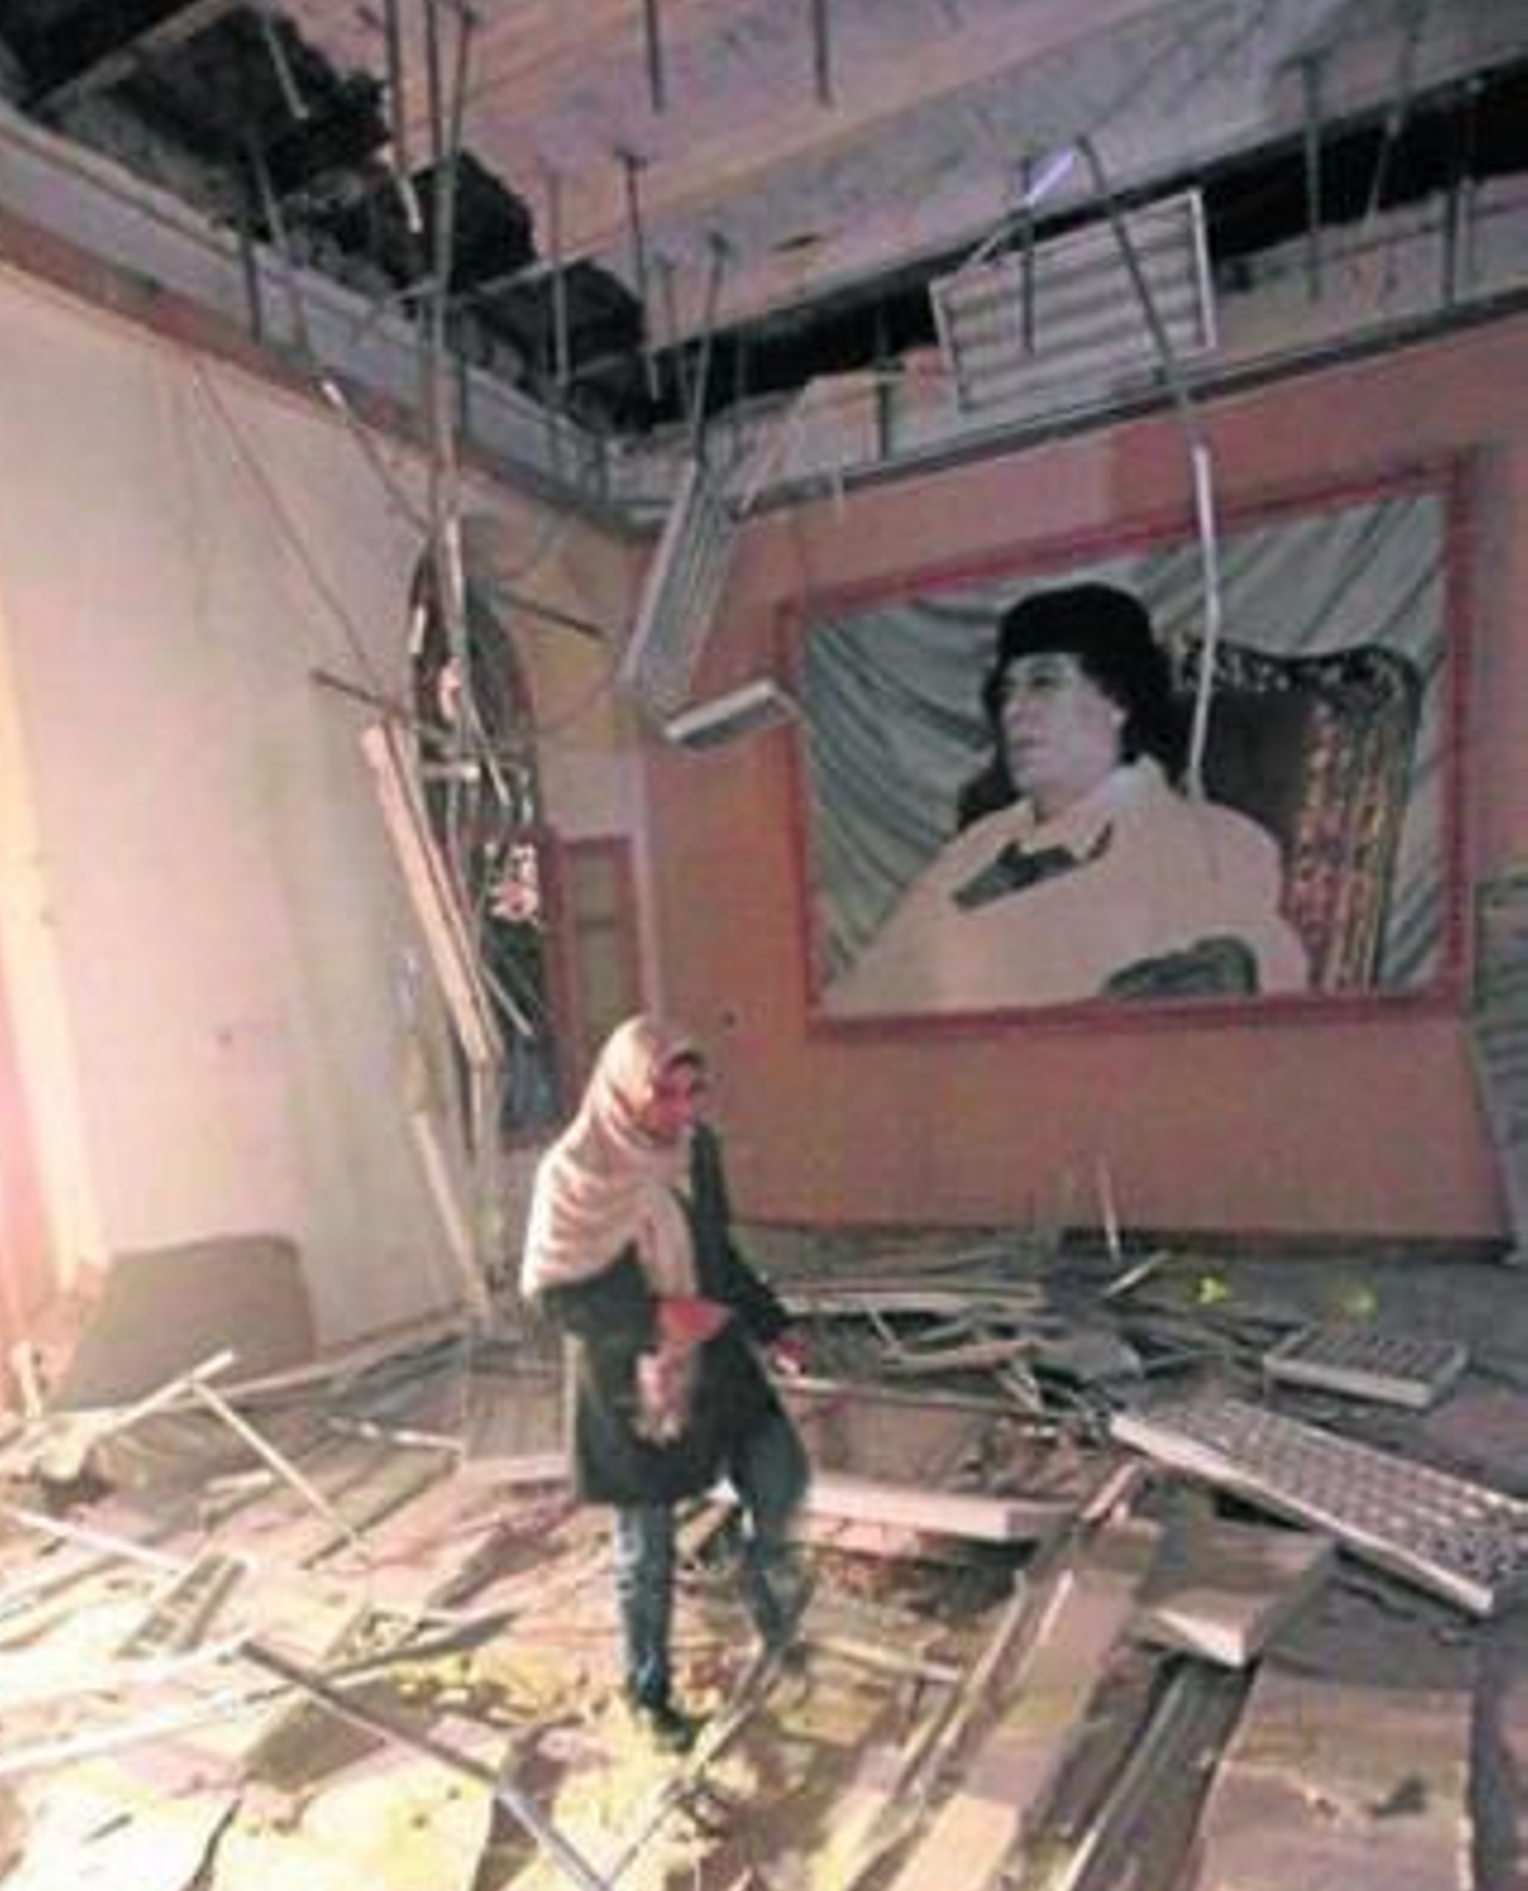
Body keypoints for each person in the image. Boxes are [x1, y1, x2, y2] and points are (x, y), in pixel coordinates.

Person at [520, 1016, 810, 1751]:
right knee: (646, 1549)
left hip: (710, 1346)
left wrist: (771, 1324)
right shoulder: (576, 1171)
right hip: (630, 1373)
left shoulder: (693, 1149)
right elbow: (556, 1296)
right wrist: (656, 1314)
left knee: (777, 1473)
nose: (682, 1113)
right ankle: (648, 1691)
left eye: (692, 1093)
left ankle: (766, 1606)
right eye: (664, 1096)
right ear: (622, 1091)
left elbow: (715, 1250)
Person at [826, 581, 1308, 1016]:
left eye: (1043, 682)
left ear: (1118, 699)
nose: (1014, 711)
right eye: (1007, 690)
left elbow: (1263, 970)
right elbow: (869, 986)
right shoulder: (978, 846)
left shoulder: (1211, 839)